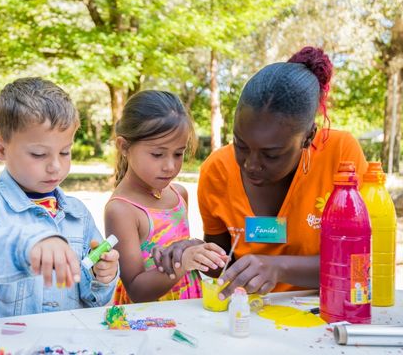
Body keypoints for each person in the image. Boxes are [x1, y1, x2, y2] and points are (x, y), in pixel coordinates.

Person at [152, 46, 367, 298]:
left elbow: (360, 262)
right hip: (248, 319)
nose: (251, 164)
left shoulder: (341, 157)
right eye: (240, 145)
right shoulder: (217, 170)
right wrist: (196, 252)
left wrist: (280, 268)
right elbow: (224, 263)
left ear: (308, 137)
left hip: (327, 312)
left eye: (271, 154)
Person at [0, 77, 119, 321]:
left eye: (65, 152)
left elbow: (93, 295)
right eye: (39, 154)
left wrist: (102, 275)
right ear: (0, 149)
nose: (55, 166)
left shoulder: (78, 214)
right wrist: (27, 245)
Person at [105, 90, 227, 304]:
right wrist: (185, 262)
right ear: (124, 146)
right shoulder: (121, 210)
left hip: (187, 307)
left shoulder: (179, 194)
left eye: (178, 154)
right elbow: (136, 289)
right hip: (148, 321)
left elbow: (183, 252)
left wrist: (198, 249)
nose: (170, 166)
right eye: (157, 154)